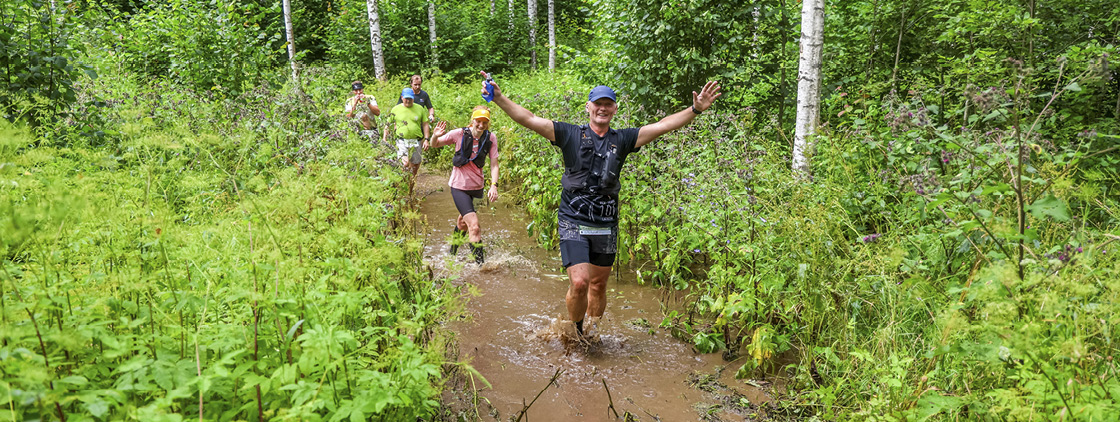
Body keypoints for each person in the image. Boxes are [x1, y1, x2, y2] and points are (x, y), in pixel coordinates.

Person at [484, 71, 722, 337]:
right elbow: (528, 119)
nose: (603, 108)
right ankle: (575, 334)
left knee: (597, 285)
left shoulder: (623, 139)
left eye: (608, 104)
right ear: (588, 107)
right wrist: (500, 98)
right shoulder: (569, 134)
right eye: (598, 104)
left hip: (605, 223)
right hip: (573, 218)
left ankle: (592, 333)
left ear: (615, 109)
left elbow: (663, 125)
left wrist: (695, 109)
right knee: (580, 281)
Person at [425, 105, 500, 264]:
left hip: (477, 188)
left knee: (462, 223)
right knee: (474, 226)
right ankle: (481, 267)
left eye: (484, 122)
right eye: (478, 121)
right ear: (472, 121)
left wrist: (494, 185)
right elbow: (435, 144)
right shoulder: (459, 134)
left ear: (488, 123)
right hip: (459, 187)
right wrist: (434, 136)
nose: (481, 125)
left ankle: (451, 256)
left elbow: (494, 164)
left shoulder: (491, 138)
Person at [384, 87, 430, 192]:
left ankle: (410, 186)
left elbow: (425, 124)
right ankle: (403, 185)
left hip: (417, 140)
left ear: (413, 98)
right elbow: (388, 123)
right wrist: (385, 138)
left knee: (415, 165)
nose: (408, 101)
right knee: (404, 164)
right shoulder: (396, 109)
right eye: (406, 99)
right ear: (402, 98)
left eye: (410, 99)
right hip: (401, 140)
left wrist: (427, 139)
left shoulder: (420, 109)